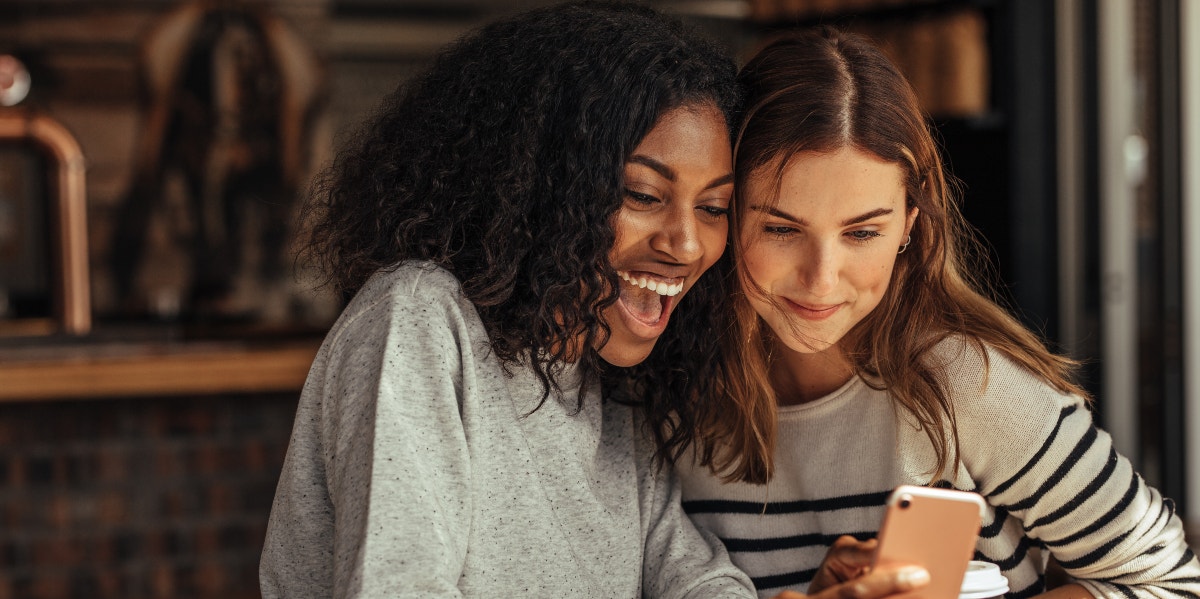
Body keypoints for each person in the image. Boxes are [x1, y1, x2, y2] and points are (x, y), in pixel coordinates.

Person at [259, 5, 929, 598]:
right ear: (542, 188)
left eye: (715, 207)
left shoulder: (606, 384)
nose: (687, 243)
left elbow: (694, 577)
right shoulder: (421, 320)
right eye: (643, 195)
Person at [674, 27, 1200, 599]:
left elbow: (1170, 580)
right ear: (722, 213)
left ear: (909, 226)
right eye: (781, 228)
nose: (821, 278)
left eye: (862, 232)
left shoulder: (969, 387)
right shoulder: (671, 401)